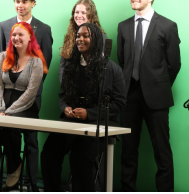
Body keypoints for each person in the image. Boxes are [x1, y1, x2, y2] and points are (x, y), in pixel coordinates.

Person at [40, 23, 127, 192]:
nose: (80, 39)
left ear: (95, 39)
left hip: (98, 124)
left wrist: (89, 113)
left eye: (85, 36)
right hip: (70, 123)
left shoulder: (110, 68)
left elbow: (119, 103)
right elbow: (62, 96)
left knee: (80, 159)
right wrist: (65, 107)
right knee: (49, 153)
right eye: (78, 36)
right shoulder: (70, 66)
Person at [118, 0, 181, 191]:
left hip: (157, 97)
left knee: (162, 153)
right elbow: (122, 61)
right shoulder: (123, 26)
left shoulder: (167, 26)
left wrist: (158, 86)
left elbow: (174, 64)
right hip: (129, 96)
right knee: (127, 151)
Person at [0, 22, 48, 192]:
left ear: (29, 38)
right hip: (1, 106)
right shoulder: (3, 56)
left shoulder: (36, 61)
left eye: (20, 35)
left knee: (10, 127)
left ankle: (14, 167)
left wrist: (9, 113)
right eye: (14, 35)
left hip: (25, 108)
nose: (16, 38)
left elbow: (31, 93)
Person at [0, 0, 53, 189]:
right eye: (17, 1)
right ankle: (13, 172)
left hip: (31, 95)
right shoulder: (4, 26)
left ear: (33, 3)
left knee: (31, 140)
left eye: (25, 1)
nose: (21, 5)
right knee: (5, 133)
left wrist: (30, 91)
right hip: (7, 95)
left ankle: (31, 183)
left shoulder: (44, 29)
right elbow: (3, 62)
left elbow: (44, 66)